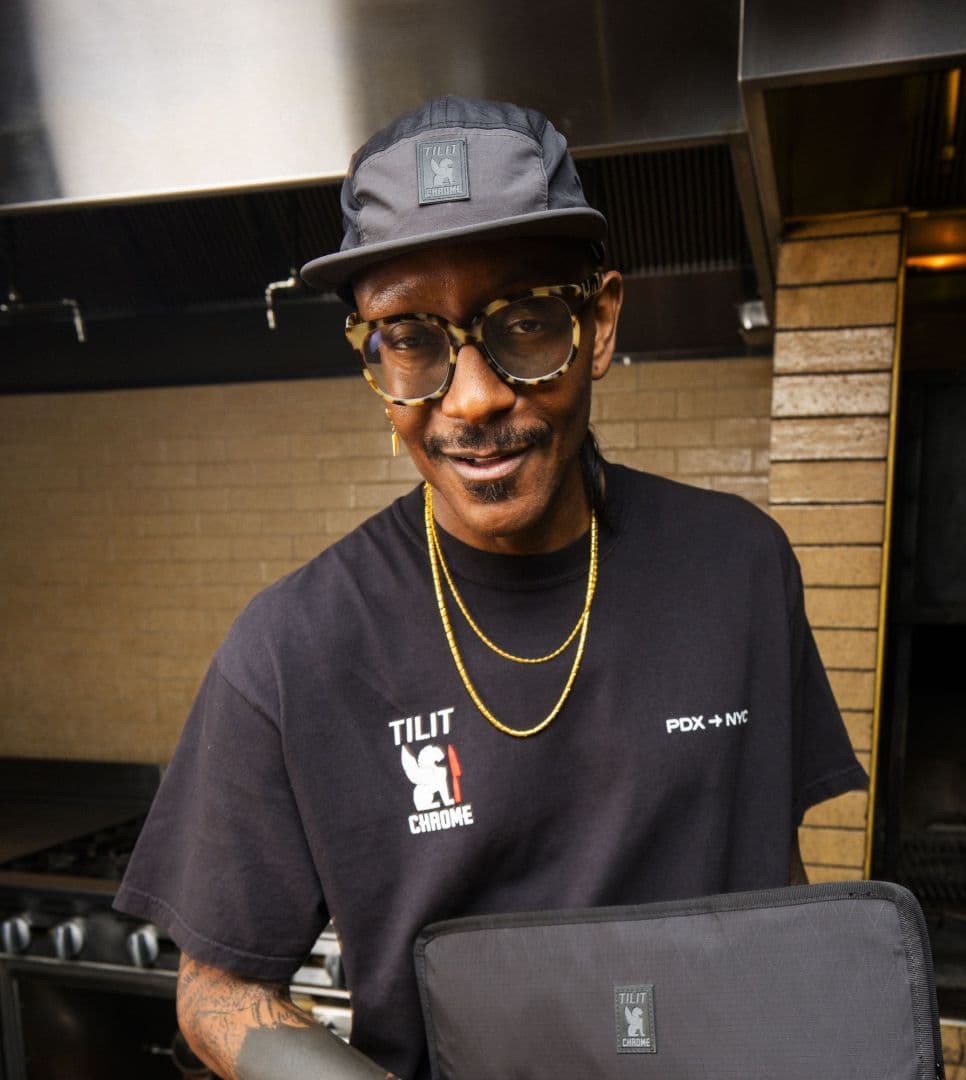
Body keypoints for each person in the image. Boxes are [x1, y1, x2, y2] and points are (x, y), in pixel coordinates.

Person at [114, 95, 867, 1080]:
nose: (472, 398)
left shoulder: (740, 567)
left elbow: (773, 872)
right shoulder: (293, 645)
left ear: (598, 323)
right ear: (373, 356)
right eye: (412, 339)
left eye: (524, 322)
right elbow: (216, 989)